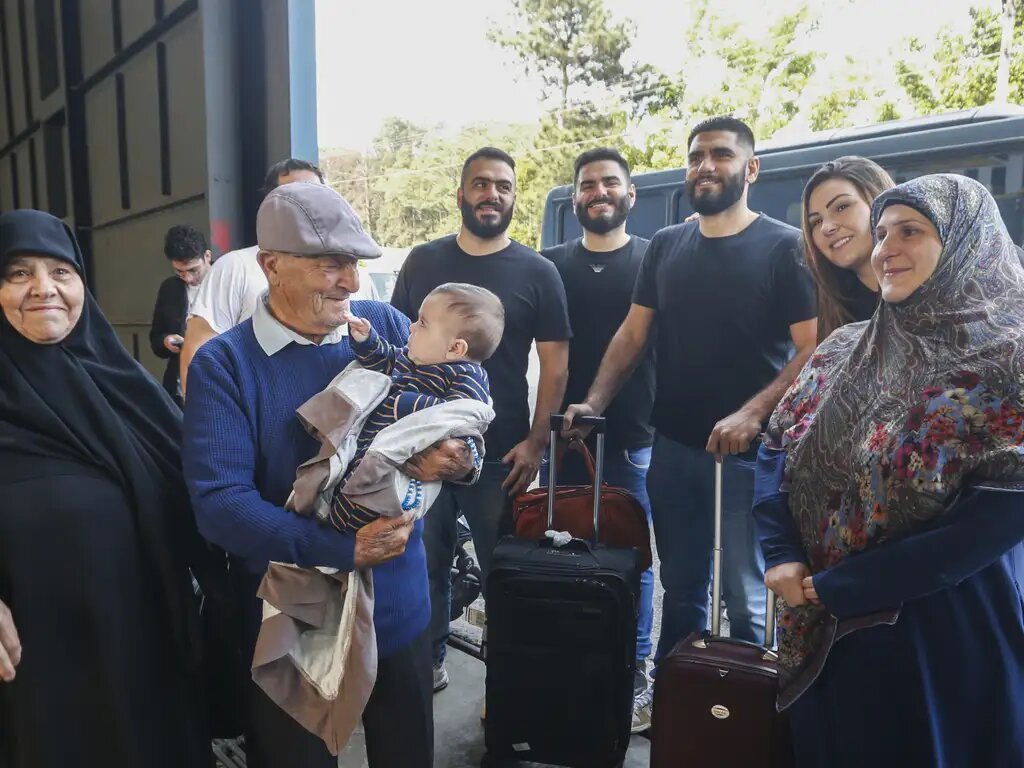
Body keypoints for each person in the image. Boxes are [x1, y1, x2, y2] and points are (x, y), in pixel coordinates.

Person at [183, 182, 473, 768]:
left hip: (398, 600)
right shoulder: (227, 364)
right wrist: (339, 547)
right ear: (271, 266)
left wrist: (462, 458)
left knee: (406, 749)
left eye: (354, 265)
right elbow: (219, 502)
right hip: (296, 614)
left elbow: (462, 405)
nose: (350, 282)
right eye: (329, 266)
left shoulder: (386, 328)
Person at [755, 174, 1024, 766]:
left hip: (941, 633)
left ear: (963, 242)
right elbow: (775, 450)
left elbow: (995, 519)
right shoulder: (844, 347)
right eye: (881, 233)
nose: (886, 249)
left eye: (911, 231)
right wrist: (780, 553)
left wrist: (842, 587)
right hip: (824, 625)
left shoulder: (1010, 361)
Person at [565, 116, 818, 661]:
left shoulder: (785, 248)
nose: (705, 166)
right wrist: (594, 402)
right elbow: (634, 333)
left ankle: (745, 715)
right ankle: (678, 702)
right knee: (682, 588)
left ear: (750, 168)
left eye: (721, 155)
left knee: (748, 596)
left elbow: (814, 348)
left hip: (749, 459)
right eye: (696, 156)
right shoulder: (667, 246)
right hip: (674, 450)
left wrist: (753, 413)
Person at [0, 210, 210, 767]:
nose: (44, 289)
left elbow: (206, 482)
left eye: (61, 272)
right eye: (19, 273)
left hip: (147, 655)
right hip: (41, 679)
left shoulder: (123, 384)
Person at [390, 146, 571, 691]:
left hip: (500, 453)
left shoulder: (538, 271)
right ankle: (429, 663)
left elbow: (556, 365)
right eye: (481, 183)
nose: (492, 193)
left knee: (503, 569)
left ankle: (511, 679)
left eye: (503, 186)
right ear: (462, 193)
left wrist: (538, 442)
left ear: (514, 197)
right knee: (425, 561)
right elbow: (401, 341)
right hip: (421, 446)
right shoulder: (423, 261)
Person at [540, 146, 657, 732]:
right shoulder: (551, 264)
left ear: (629, 195)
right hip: (559, 439)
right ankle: (568, 660)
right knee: (558, 547)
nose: (599, 192)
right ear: (575, 197)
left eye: (610, 183)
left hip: (634, 437)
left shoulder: (652, 259)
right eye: (588, 185)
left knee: (631, 554)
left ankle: (634, 671)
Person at [179, 158, 377, 395]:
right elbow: (198, 354)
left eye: (316, 193)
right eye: (290, 195)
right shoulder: (234, 267)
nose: (350, 283)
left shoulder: (368, 291)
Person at [316, 284, 502, 532]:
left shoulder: (468, 376)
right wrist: (366, 339)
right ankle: (333, 525)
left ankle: (345, 530)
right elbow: (383, 359)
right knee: (350, 481)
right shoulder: (409, 356)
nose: (411, 327)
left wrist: (404, 404)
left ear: (455, 348)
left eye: (422, 323)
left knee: (367, 496)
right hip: (370, 445)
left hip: (403, 463)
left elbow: (461, 417)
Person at [802, 156, 894, 343]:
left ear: (880, 201)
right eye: (816, 221)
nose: (827, 227)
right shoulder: (823, 304)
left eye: (842, 207)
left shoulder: (931, 286)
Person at [150, 224, 213, 404]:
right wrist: (165, 341)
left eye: (193, 270)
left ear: (207, 256)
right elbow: (155, 338)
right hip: (180, 391)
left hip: (220, 385)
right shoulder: (170, 289)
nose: (188, 278)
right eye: (179, 272)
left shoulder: (227, 283)